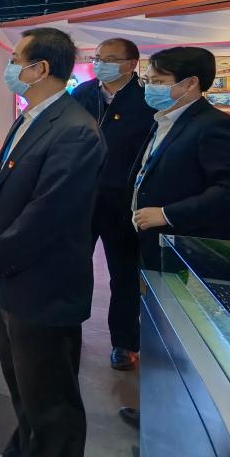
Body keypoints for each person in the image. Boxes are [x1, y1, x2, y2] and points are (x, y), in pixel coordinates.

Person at [0, 27, 106, 457]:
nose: (10, 67)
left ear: (40, 68)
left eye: (15, 60)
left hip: (43, 286)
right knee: (24, 389)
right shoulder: (31, 116)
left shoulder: (75, 130)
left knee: (51, 401)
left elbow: (49, 213)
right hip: (12, 280)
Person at [118, 46, 230, 429]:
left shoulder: (212, 125)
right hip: (153, 243)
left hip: (184, 248)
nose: (150, 87)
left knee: (181, 337)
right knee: (159, 330)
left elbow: (225, 190)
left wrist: (167, 214)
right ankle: (162, 410)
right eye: (149, 80)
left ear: (191, 83)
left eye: (159, 81)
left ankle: (179, 420)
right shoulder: (165, 120)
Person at [71, 38, 154, 371]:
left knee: (123, 274)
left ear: (131, 64)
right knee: (74, 267)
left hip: (123, 203)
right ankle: (68, 328)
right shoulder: (82, 94)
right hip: (82, 198)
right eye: (97, 58)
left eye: (109, 59)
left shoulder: (147, 100)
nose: (100, 64)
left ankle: (125, 341)